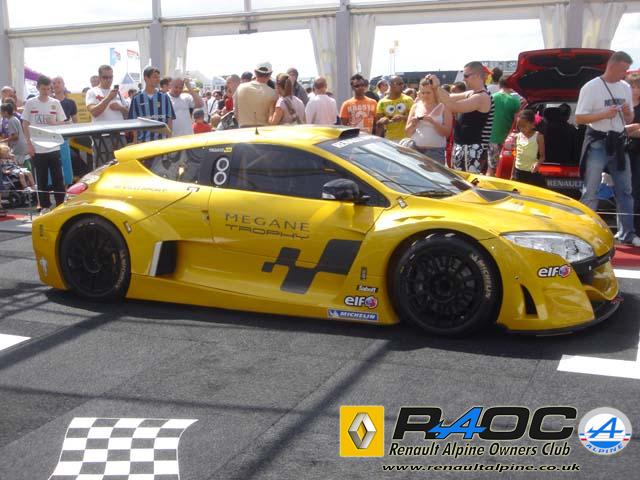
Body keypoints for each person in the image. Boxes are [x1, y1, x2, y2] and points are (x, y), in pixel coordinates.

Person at [576, 51, 638, 246]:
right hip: (597, 141)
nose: (625, 74)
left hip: (618, 142)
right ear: (612, 66)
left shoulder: (625, 87)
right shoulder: (591, 87)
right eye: (623, 69)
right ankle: (586, 233)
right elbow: (579, 118)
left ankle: (627, 233)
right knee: (591, 190)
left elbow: (629, 118)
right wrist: (603, 114)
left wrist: (627, 113)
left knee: (625, 190)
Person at [426, 61, 492, 173]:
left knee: (468, 181)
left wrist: (437, 87)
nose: (463, 79)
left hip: (471, 148)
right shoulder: (471, 93)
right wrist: (435, 88)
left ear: (477, 75)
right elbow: (448, 97)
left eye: (466, 75)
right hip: (463, 146)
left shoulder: (482, 96)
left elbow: (454, 106)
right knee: (460, 179)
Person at [21, 75, 67, 213]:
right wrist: (29, 144)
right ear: (37, 88)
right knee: (41, 179)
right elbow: (25, 123)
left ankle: (60, 204)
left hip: (54, 146)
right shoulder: (31, 103)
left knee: (58, 178)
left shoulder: (55, 103)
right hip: (37, 147)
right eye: (43, 89)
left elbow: (63, 122)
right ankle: (45, 206)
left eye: (48, 89)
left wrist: (55, 123)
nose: (46, 92)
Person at [86, 65, 129, 163]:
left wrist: (120, 108)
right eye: (105, 77)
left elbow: (127, 114)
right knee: (103, 167)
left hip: (119, 135)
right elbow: (94, 112)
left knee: (122, 167)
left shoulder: (117, 93)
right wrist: (109, 98)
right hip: (102, 136)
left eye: (111, 77)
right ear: (99, 77)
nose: (109, 80)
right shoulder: (92, 92)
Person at [405, 78, 452, 163]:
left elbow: (447, 133)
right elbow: (407, 133)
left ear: (435, 92)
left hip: (436, 152)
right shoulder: (415, 106)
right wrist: (413, 123)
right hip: (415, 149)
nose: (425, 95)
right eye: (423, 93)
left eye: (428, 93)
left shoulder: (444, 107)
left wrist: (433, 122)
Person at [128, 66, 175, 143]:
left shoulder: (165, 97)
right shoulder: (137, 98)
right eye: (155, 77)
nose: (158, 79)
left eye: (158, 77)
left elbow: (169, 118)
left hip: (162, 142)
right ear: (146, 78)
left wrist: (169, 137)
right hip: (143, 142)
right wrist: (135, 140)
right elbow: (134, 121)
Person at [488, 77, 521, 176]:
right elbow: (518, 123)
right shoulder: (515, 101)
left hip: (492, 137)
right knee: (506, 169)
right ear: (511, 86)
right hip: (508, 141)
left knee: (491, 168)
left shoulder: (491, 98)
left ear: (499, 85)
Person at [233, 62, 277, 128]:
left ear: (255, 72)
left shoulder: (240, 88)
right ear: (270, 74)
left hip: (243, 129)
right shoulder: (273, 93)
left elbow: (235, 112)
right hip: (264, 130)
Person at [375, 75, 413, 142]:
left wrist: (403, 117)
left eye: (402, 83)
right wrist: (382, 121)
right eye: (399, 84)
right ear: (390, 85)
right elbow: (378, 124)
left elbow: (414, 119)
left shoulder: (408, 99)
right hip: (389, 140)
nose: (402, 86)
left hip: (406, 139)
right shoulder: (382, 102)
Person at [511, 109, 544, 186]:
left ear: (532, 124)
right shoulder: (517, 136)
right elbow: (515, 155)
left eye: (524, 126)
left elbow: (542, 156)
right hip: (518, 172)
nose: (521, 129)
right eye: (519, 126)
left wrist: (537, 164)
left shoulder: (538, 137)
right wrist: (512, 174)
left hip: (531, 173)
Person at [625, 72, 640, 234]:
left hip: (637, 153)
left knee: (636, 190)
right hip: (623, 152)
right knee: (624, 191)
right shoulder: (624, 107)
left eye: (638, 87)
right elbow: (617, 129)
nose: (635, 90)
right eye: (632, 87)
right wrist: (633, 128)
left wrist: (629, 130)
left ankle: (635, 228)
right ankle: (626, 228)